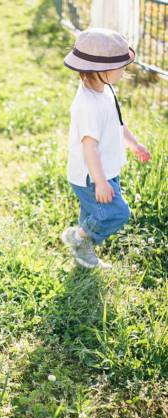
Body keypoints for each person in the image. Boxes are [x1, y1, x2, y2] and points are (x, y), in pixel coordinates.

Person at [61, 28, 151, 269]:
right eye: (121, 66)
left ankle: (81, 249)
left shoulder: (104, 90)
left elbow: (117, 122)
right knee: (116, 213)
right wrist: (101, 182)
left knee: (93, 211)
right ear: (101, 70)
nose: (125, 71)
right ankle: (79, 237)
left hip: (106, 170)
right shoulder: (87, 105)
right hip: (92, 176)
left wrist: (134, 144)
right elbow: (89, 147)